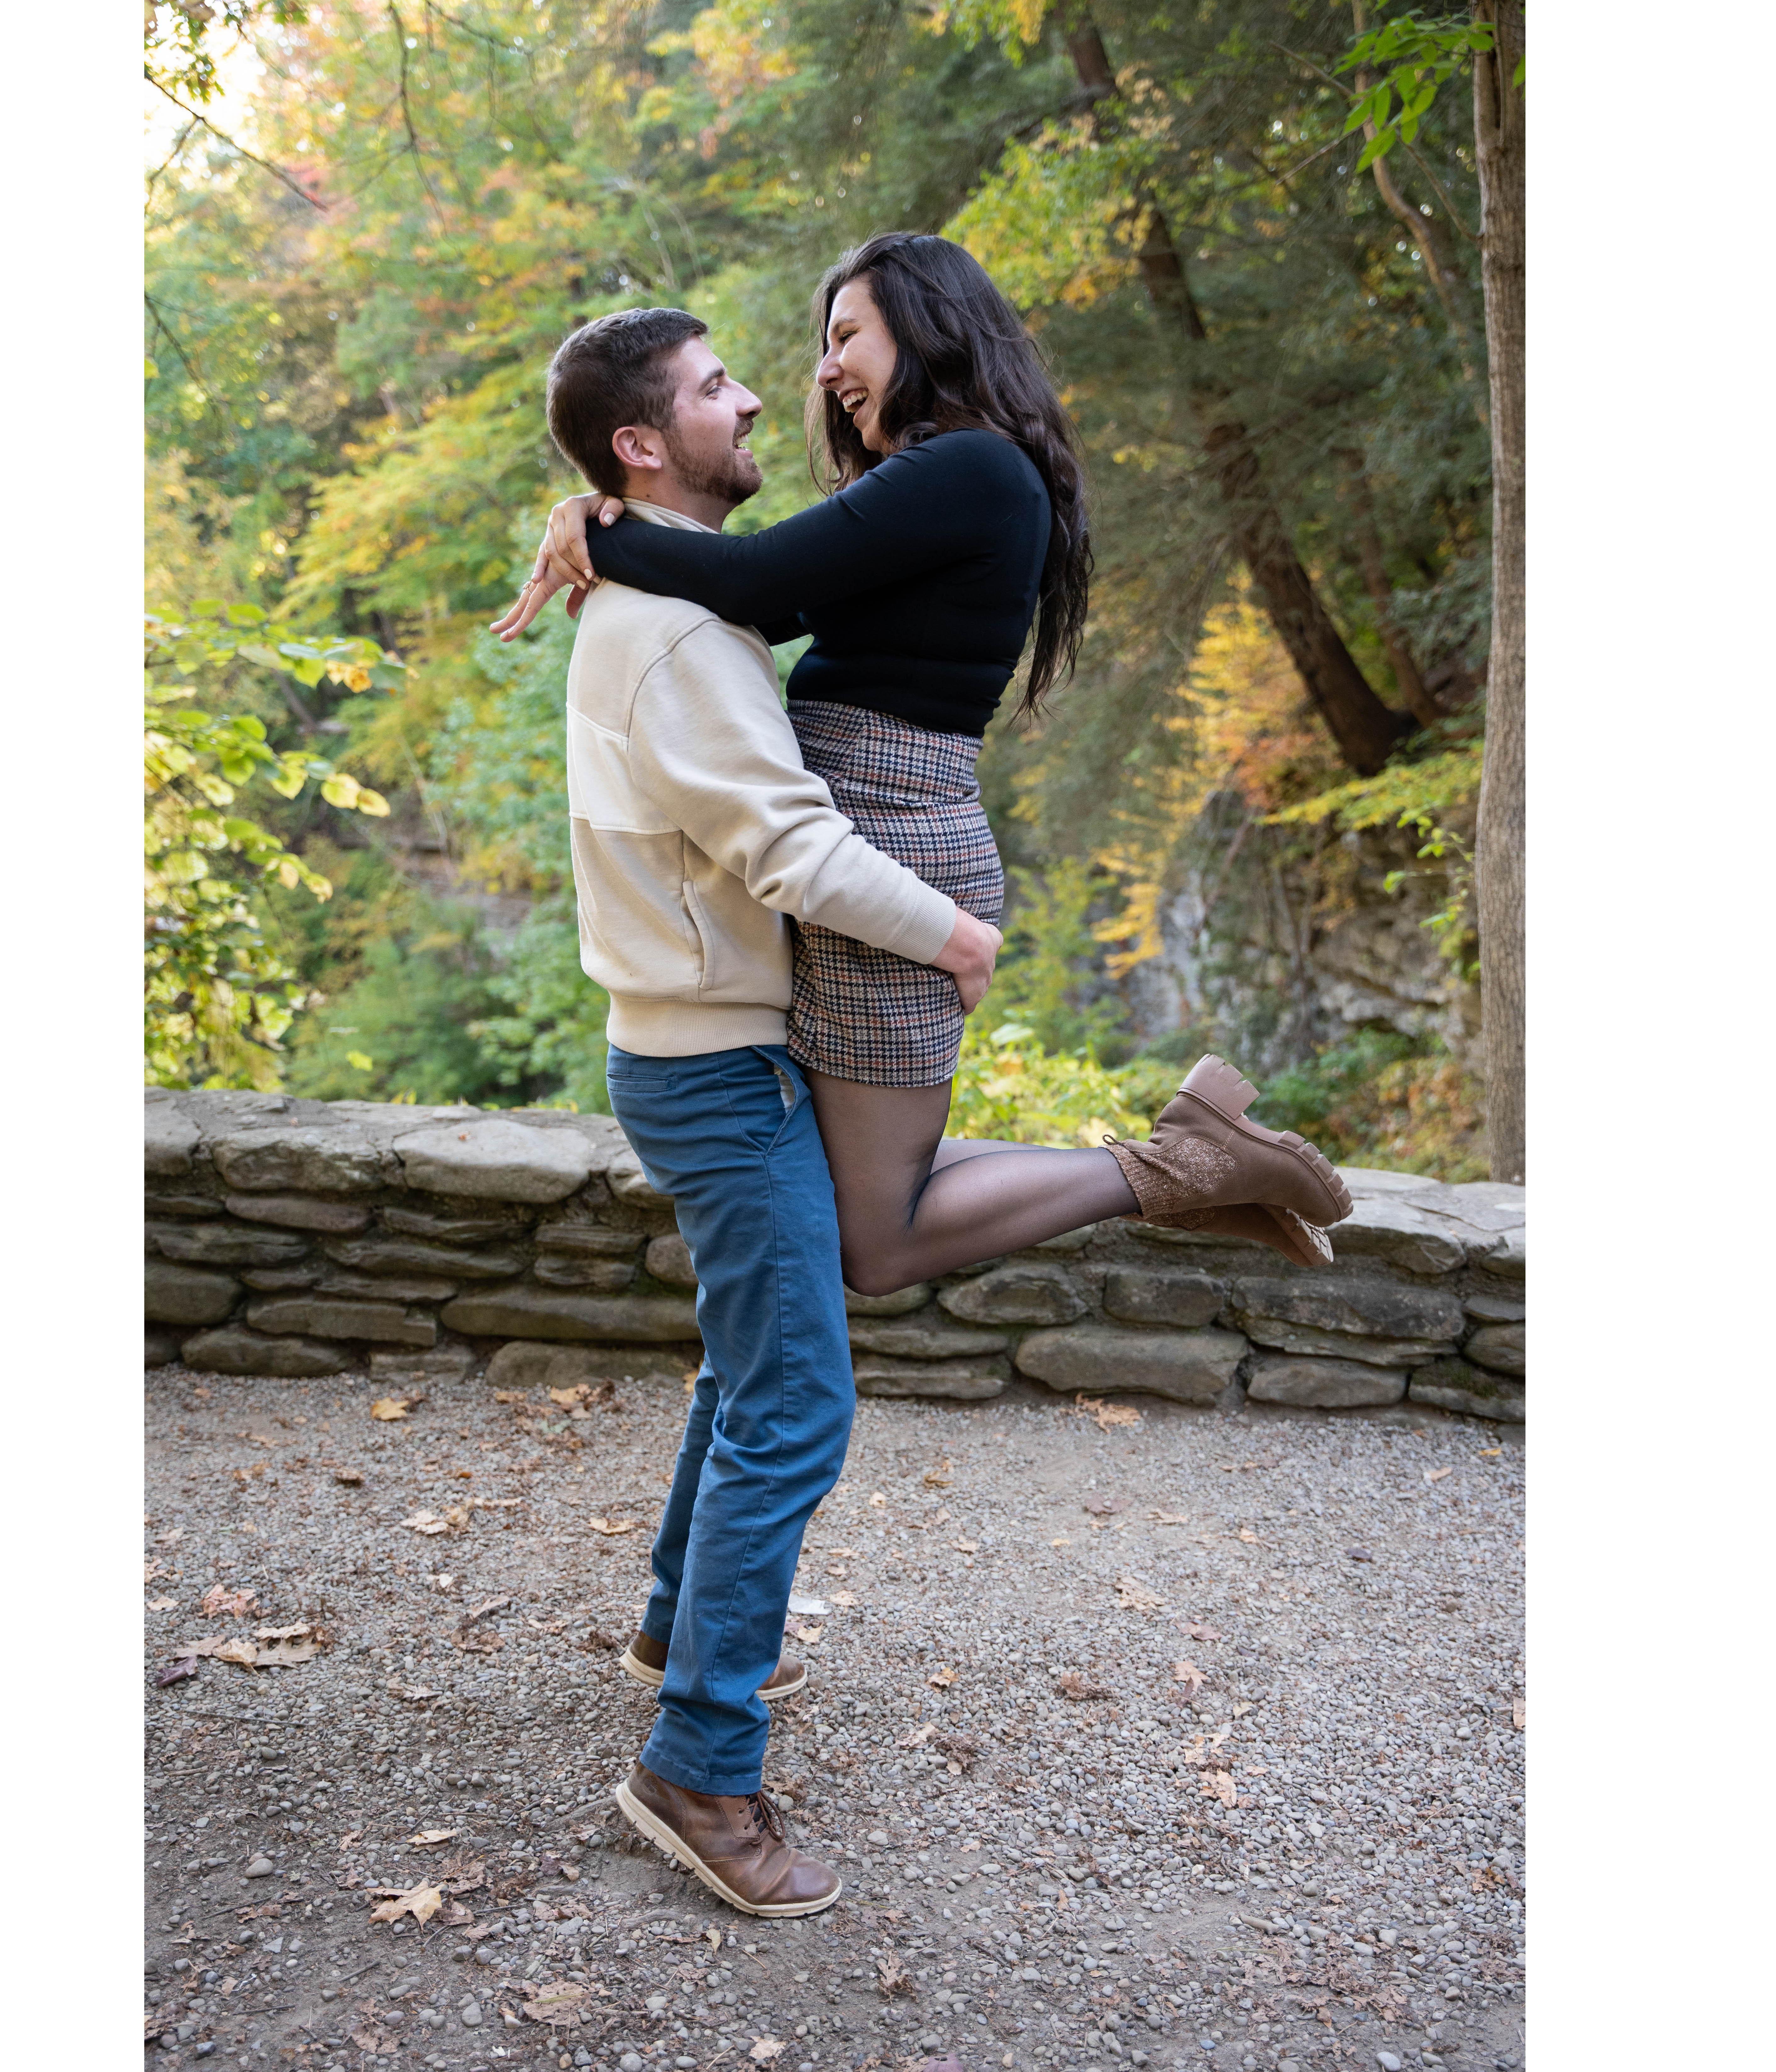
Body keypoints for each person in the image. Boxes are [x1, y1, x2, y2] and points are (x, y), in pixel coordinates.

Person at [492, 234, 1353, 1275]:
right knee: (865, 1191)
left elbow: (752, 582)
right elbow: (771, 597)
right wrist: (593, 511)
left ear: (926, 327)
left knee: (878, 1239)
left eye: (846, 335)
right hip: (880, 833)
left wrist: (594, 527)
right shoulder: (943, 478)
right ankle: (1194, 1166)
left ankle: (1191, 1165)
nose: (824, 371)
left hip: (891, 837)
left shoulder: (970, 466)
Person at [536, 304, 1004, 1918]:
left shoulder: (674, 600)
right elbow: (789, 845)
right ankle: (699, 1764)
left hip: (712, 1049)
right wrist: (950, 934)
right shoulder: (674, 637)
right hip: (715, 1068)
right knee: (797, 1401)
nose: (758, 400)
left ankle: (680, 1625)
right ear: (643, 445)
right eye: (715, 387)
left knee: (754, 1367)